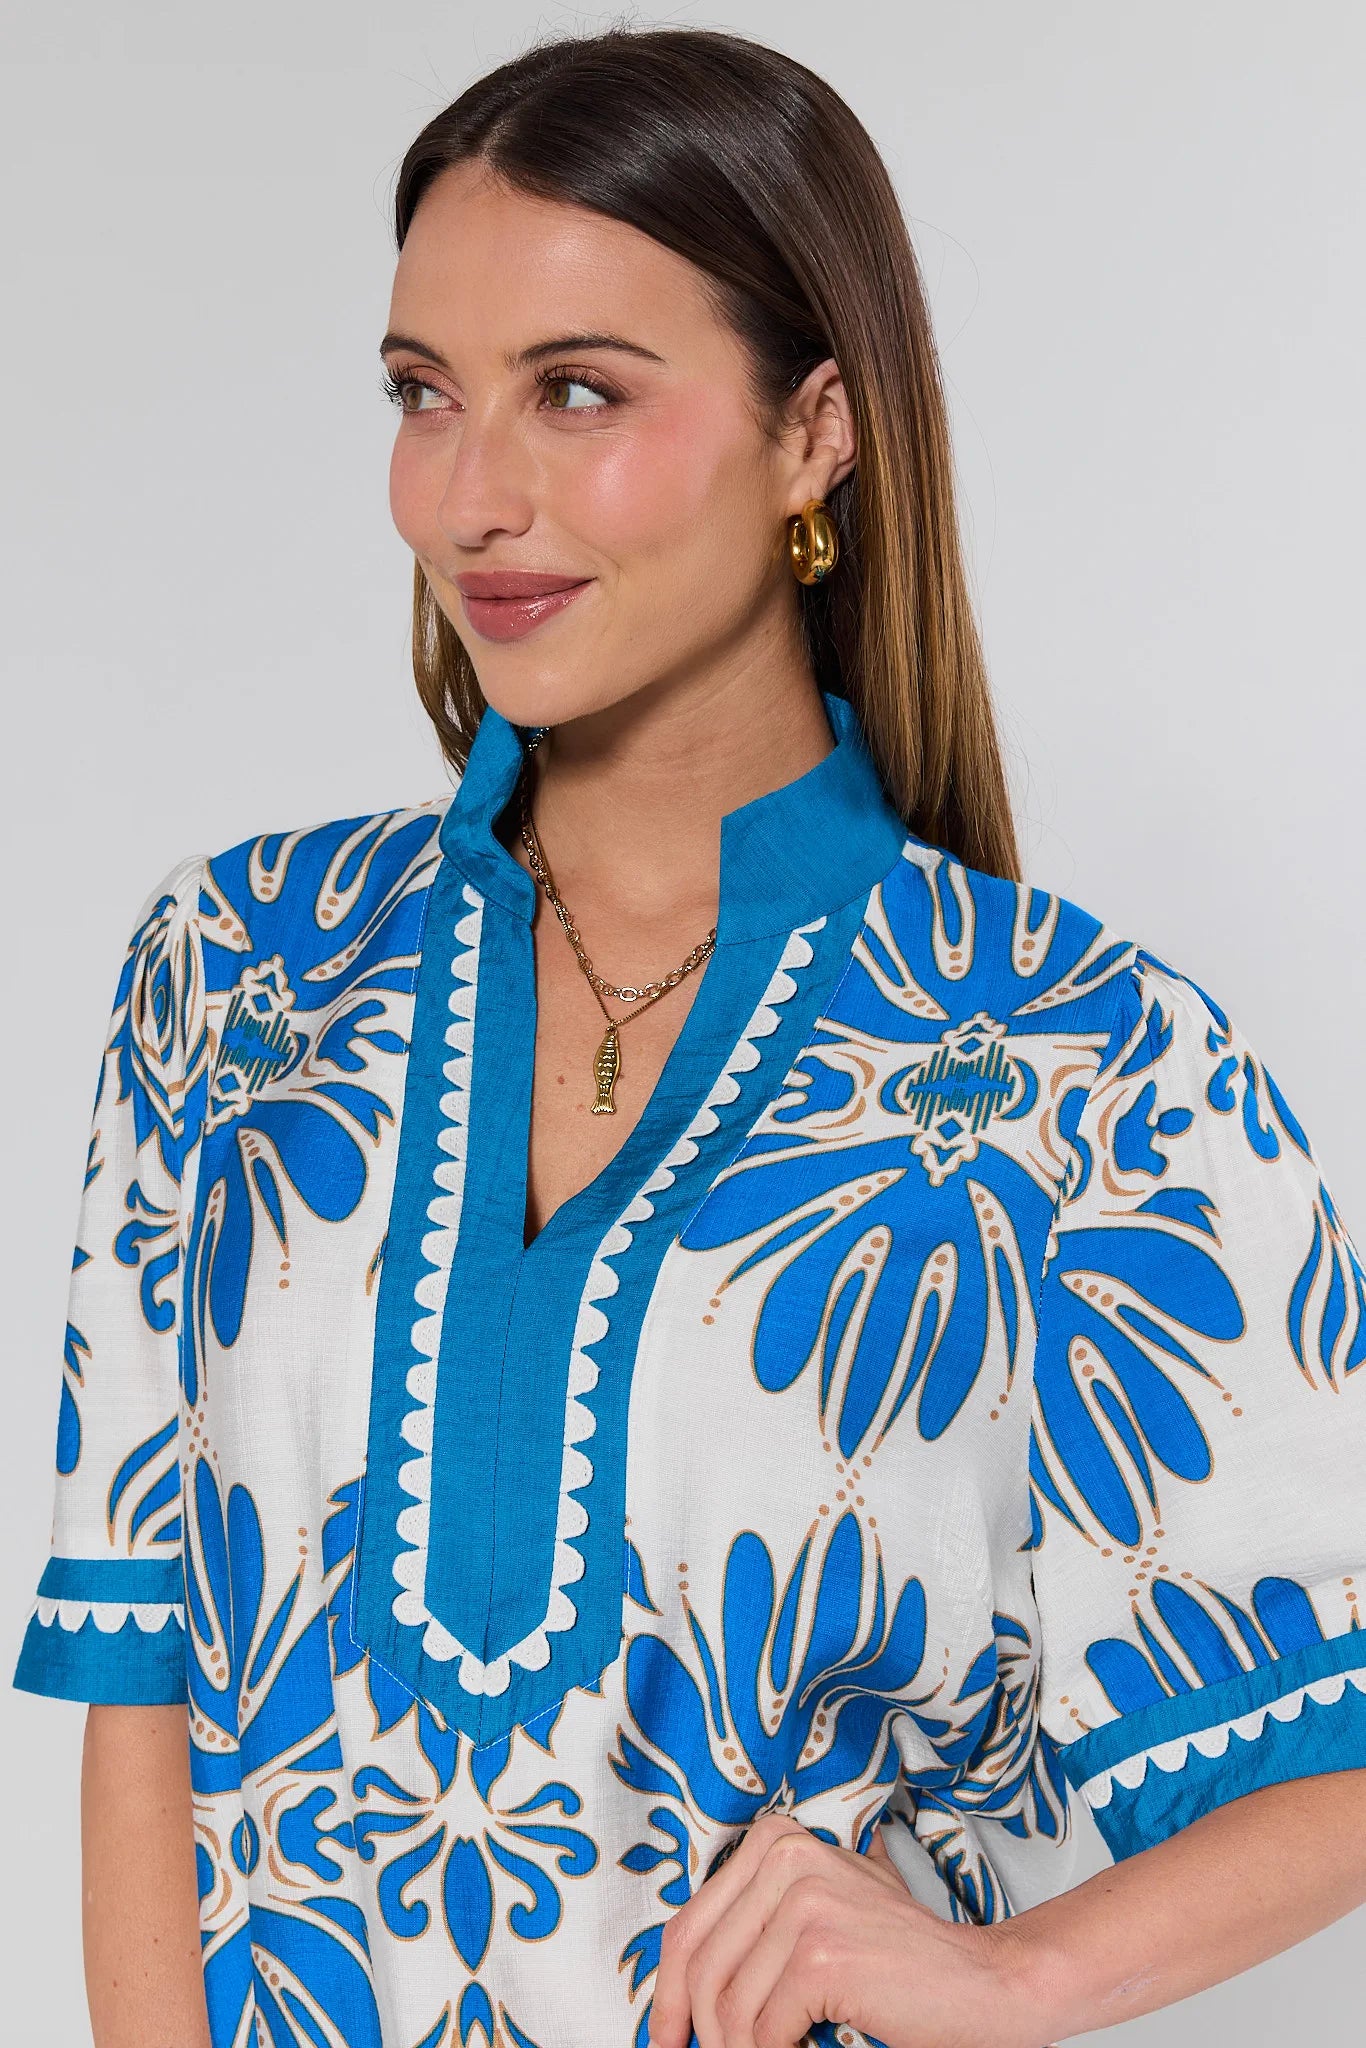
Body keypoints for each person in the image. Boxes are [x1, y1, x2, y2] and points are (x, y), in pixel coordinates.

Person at [14, 23, 1366, 2048]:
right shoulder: (235, 978)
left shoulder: (1081, 1071)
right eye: (421, 396)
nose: (472, 496)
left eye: (577, 393)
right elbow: (144, 1685)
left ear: (813, 430)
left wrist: (1009, 1970)